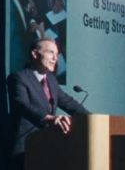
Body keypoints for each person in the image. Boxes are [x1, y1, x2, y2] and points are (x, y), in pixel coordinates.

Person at [6, 38, 89, 169]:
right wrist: (49, 118)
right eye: (51, 52)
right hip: (24, 150)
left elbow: (69, 103)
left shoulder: (51, 80)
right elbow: (21, 105)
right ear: (35, 54)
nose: (55, 58)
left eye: (56, 54)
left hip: (46, 148)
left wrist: (93, 118)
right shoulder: (18, 78)